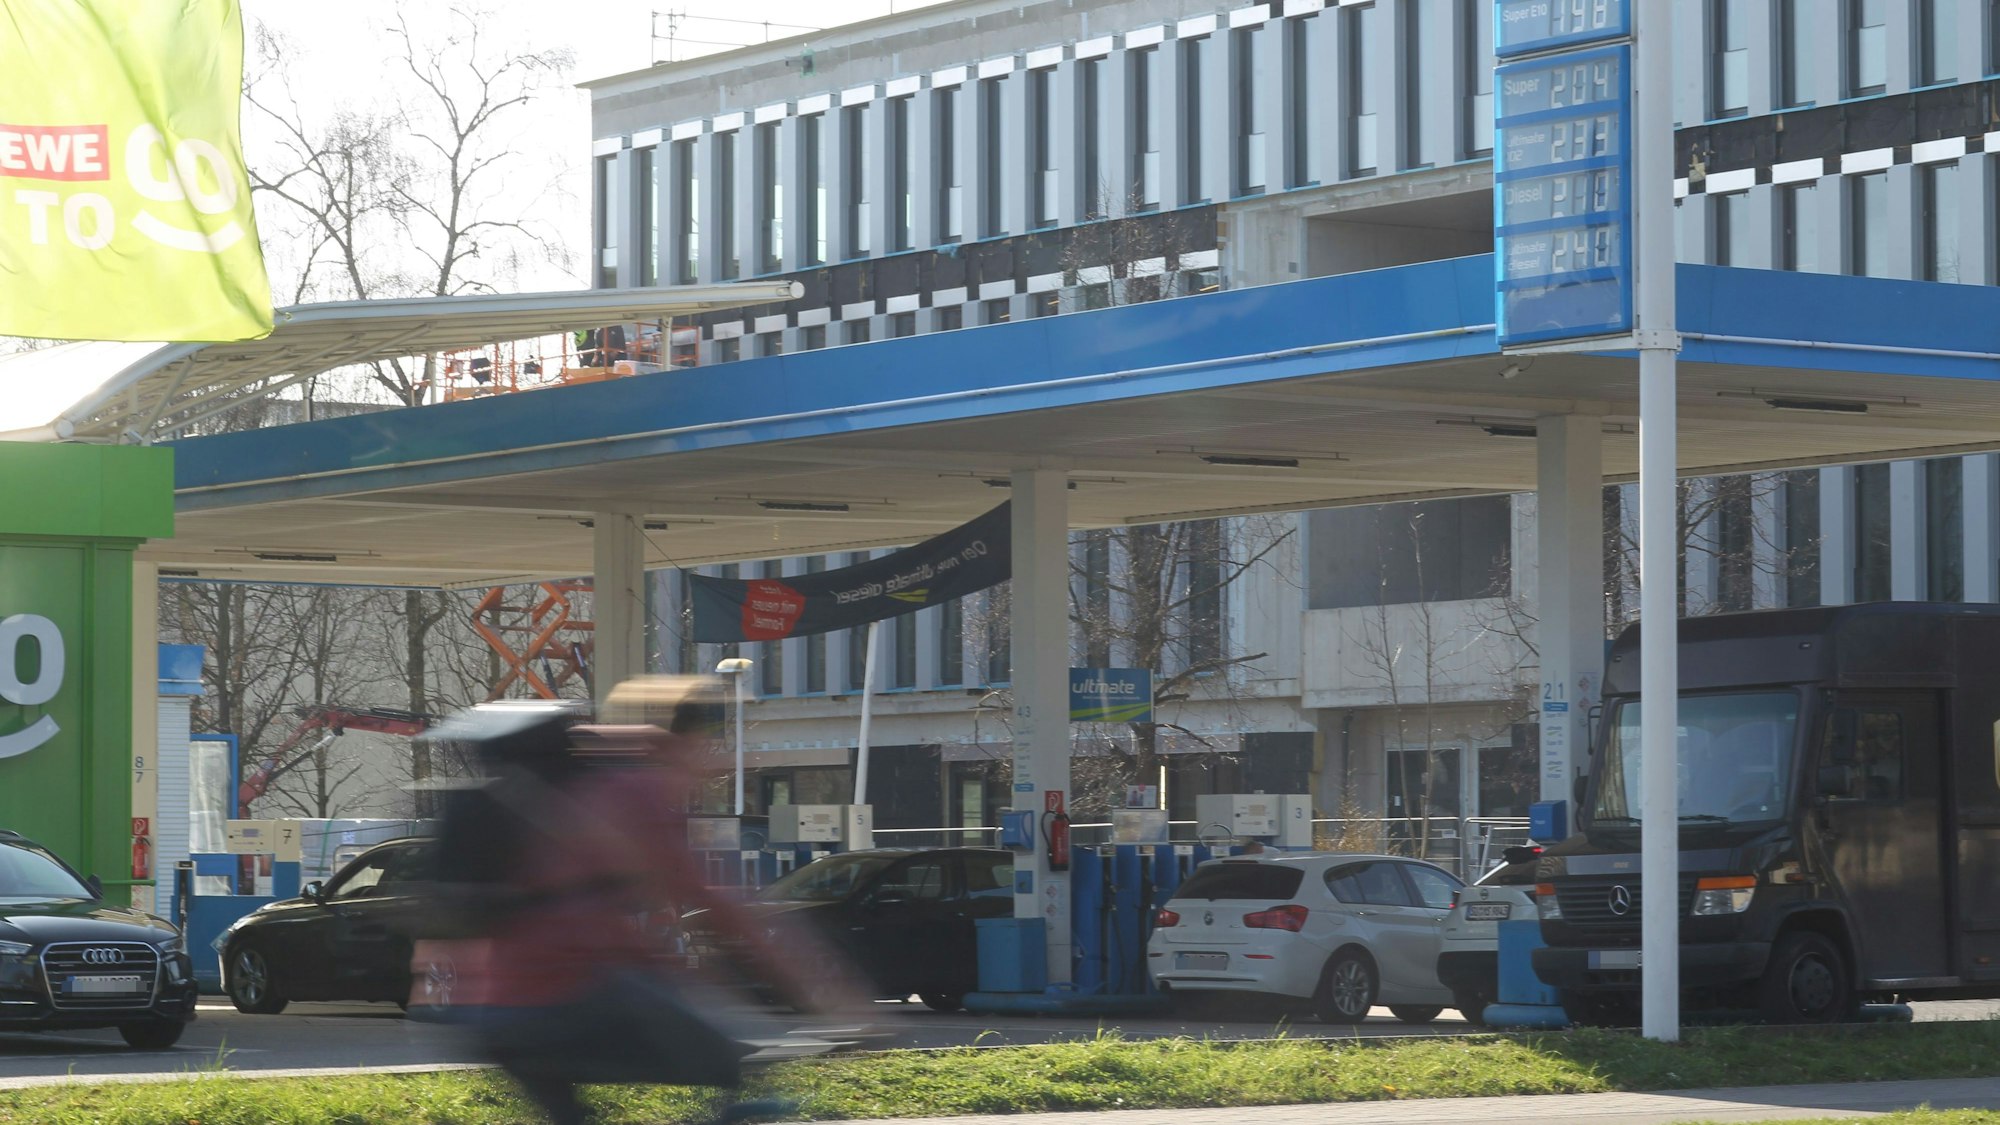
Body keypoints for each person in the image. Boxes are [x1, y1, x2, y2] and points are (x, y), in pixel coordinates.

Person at [425, 683, 861, 1125]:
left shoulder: (562, 792)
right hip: (575, 997)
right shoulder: (636, 792)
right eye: (717, 743)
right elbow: (719, 907)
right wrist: (828, 1000)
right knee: (739, 1062)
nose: (725, 760)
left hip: (498, 1017)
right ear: (690, 741)